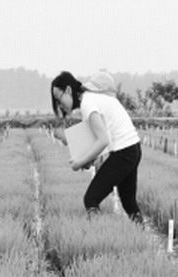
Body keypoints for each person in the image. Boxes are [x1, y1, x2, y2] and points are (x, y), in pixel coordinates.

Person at [50, 71, 143, 224]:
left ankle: (98, 231)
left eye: (59, 99)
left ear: (68, 90)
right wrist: (87, 160)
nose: (60, 105)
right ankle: (141, 233)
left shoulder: (88, 103)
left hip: (123, 152)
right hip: (133, 148)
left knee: (91, 199)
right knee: (129, 202)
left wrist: (79, 162)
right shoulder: (91, 98)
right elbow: (97, 139)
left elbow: (103, 140)